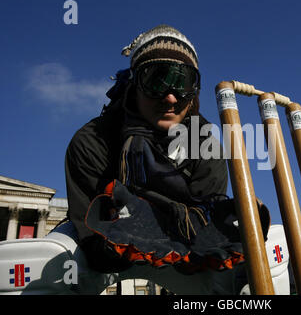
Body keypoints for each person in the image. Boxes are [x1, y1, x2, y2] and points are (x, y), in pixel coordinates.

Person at [64, 25, 269, 292]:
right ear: (134, 84)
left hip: (186, 254)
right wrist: (120, 238)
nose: (170, 97)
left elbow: (208, 220)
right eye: (156, 80)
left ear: (194, 92)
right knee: (55, 260)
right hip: (108, 253)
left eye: (182, 82)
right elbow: (90, 237)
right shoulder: (92, 140)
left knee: (258, 256)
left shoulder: (205, 144)